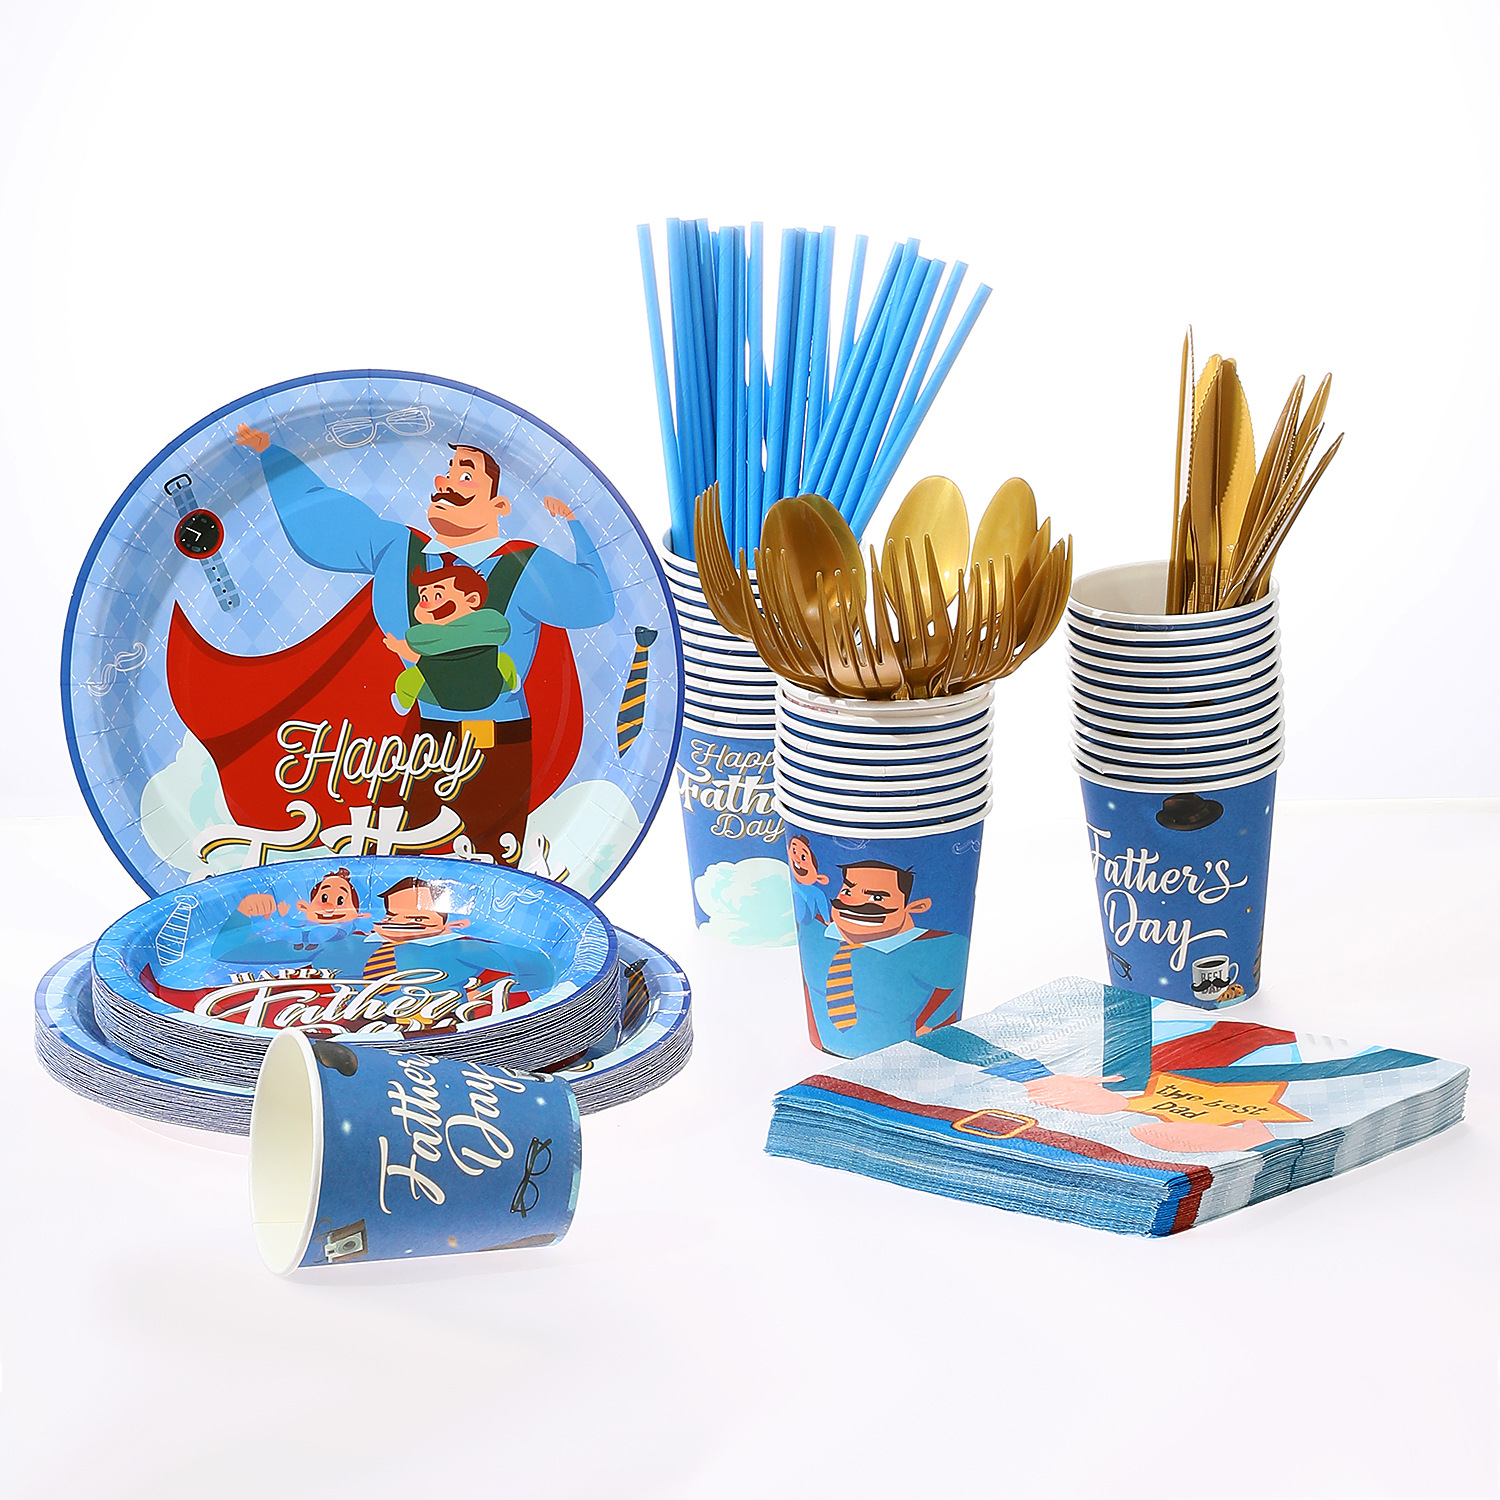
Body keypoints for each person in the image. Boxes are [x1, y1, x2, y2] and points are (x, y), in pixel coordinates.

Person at [232, 425, 615, 863]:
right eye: (446, 471)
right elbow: (324, 524)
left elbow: (596, 603)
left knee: (494, 862)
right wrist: (273, 455)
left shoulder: (525, 565)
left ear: (499, 505)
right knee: (412, 869)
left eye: (465, 475)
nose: (443, 481)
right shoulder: (399, 549)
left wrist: (576, 523)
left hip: (498, 743)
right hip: (422, 745)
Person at [796, 859, 969, 1054]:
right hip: (821, 1052)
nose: (853, 904)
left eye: (876, 897)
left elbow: (953, 985)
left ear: (915, 907)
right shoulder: (814, 931)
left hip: (898, 1057)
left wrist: (929, 1026)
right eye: (847, 892)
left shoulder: (932, 947)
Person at [384, 561, 517, 714]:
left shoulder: (425, 639)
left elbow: (417, 657)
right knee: (504, 661)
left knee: (407, 680)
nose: (427, 605)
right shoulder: (492, 626)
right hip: (490, 691)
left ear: (472, 600)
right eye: (424, 597)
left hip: (443, 696)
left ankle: (404, 703)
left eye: (438, 595)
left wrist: (398, 647)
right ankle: (513, 684)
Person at [212, 867, 371, 966]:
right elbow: (224, 954)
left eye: (341, 901)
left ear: (360, 913)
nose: (329, 907)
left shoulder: (363, 945)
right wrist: (244, 912)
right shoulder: (285, 944)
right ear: (305, 907)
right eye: (323, 898)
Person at [786, 834, 831, 928]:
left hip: (807, 924)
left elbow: (823, 908)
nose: (797, 859)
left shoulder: (816, 892)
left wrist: (827, 922)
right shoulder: (790, 882)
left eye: (803, 857)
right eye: (794, 851)